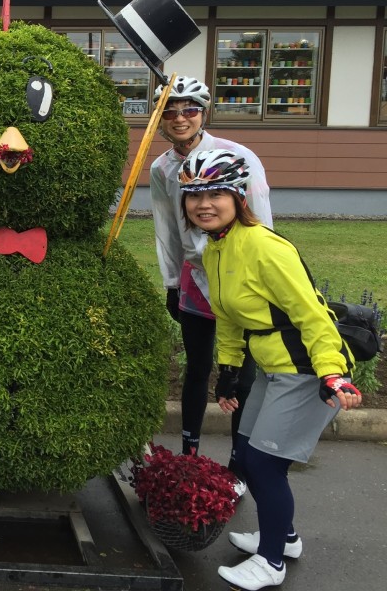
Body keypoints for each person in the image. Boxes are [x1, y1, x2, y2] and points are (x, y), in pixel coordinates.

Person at [178, 148, 361, 591]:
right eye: (194, 194)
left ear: (239, 197)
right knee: (245, 451)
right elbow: (230, 318)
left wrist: (332, 373)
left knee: (261, 465)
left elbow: (313, 315)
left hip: (305, 370)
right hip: (271, 369)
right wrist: (228, 371)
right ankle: (287, 536)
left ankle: (272, 561)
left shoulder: (264, 247)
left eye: (216, 192)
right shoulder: (217, 249)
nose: (204, 203)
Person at [149, 77, 272, 473]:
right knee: (198, 367)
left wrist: (263, 280)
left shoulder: (238, 155)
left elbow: (261, 221)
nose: (179, 118)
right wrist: (171, 283)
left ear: (204, 113)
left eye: (189, 109)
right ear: (160, 118)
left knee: (242, 379)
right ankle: (188, 457)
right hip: (197, 279)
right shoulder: (162, 167)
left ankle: (238, 464)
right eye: (169, 111)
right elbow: (166, 227)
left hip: (242, 279)